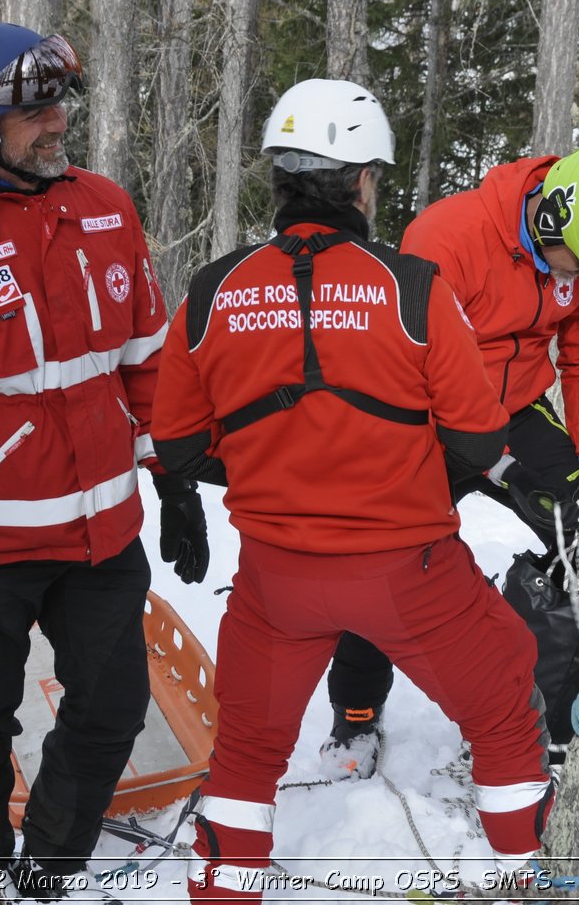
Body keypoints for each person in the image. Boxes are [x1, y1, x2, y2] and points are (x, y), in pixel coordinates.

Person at [153, 79, 555, 902]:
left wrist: (272, 465)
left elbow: (181, 443)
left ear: (280, 180)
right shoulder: (413, 286)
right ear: (363, 182)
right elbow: (480, 438)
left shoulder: (210, 291)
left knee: (247, 754)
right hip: (409, 571)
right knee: (505, 699)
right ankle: (526, 874)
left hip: (274, 578)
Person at [0, 21, 211, 902]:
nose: (57, 122)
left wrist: (174, 475)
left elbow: (148, 357)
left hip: (105, 534)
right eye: (34, 110)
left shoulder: (107, 205)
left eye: (59, 103)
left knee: (113, 708)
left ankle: (44, 871)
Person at [321, 145, 579, 779]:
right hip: (421, 417)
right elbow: (405, 370)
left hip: (519, 408)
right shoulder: (448, 237)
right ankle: (356, 713)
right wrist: (501, 469)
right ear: (551, 217)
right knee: (381, 559)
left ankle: (561, 710)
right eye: (577, 265)